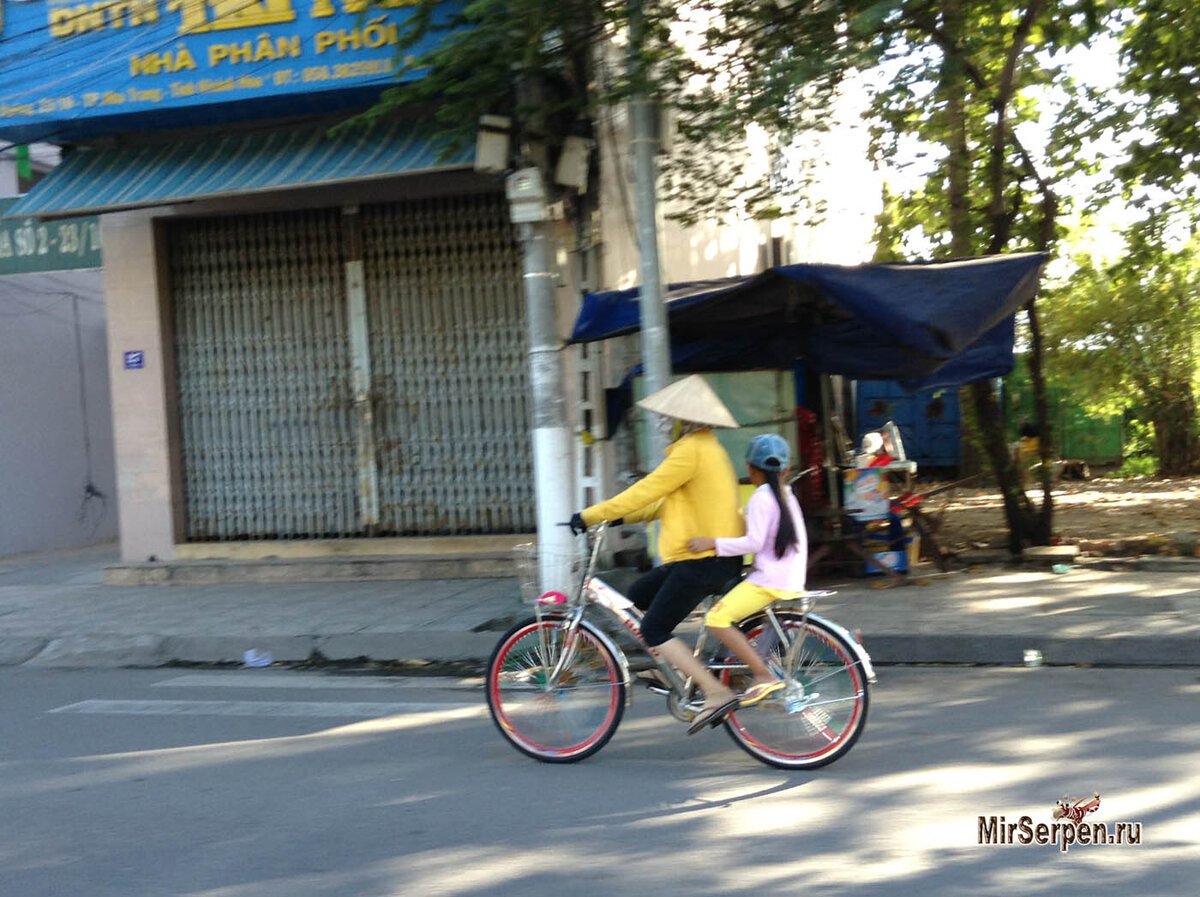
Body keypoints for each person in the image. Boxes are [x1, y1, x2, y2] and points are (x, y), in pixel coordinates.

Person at [570, 375, 745, 731]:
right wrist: (617, 517)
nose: (665, 424)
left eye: (669, 418)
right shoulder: (708, 448)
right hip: (712, 558)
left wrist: (590, 515)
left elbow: (647, 491)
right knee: (638, 594)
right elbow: (663, 503)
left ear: (685, 419)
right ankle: (672, 667)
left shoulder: (690, 450)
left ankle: (715, 692)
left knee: (653, 628)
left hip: (703, 560)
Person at [684, 433, 808, 734]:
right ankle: (750, 668)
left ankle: (762, 674)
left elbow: (753, 541)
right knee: (733, 606)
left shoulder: (760, 498)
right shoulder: (787, 495)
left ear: (751, 470)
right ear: (787, 470)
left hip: (769, 582)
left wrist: (710, 542)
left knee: (716, 618)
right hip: (789, 578)